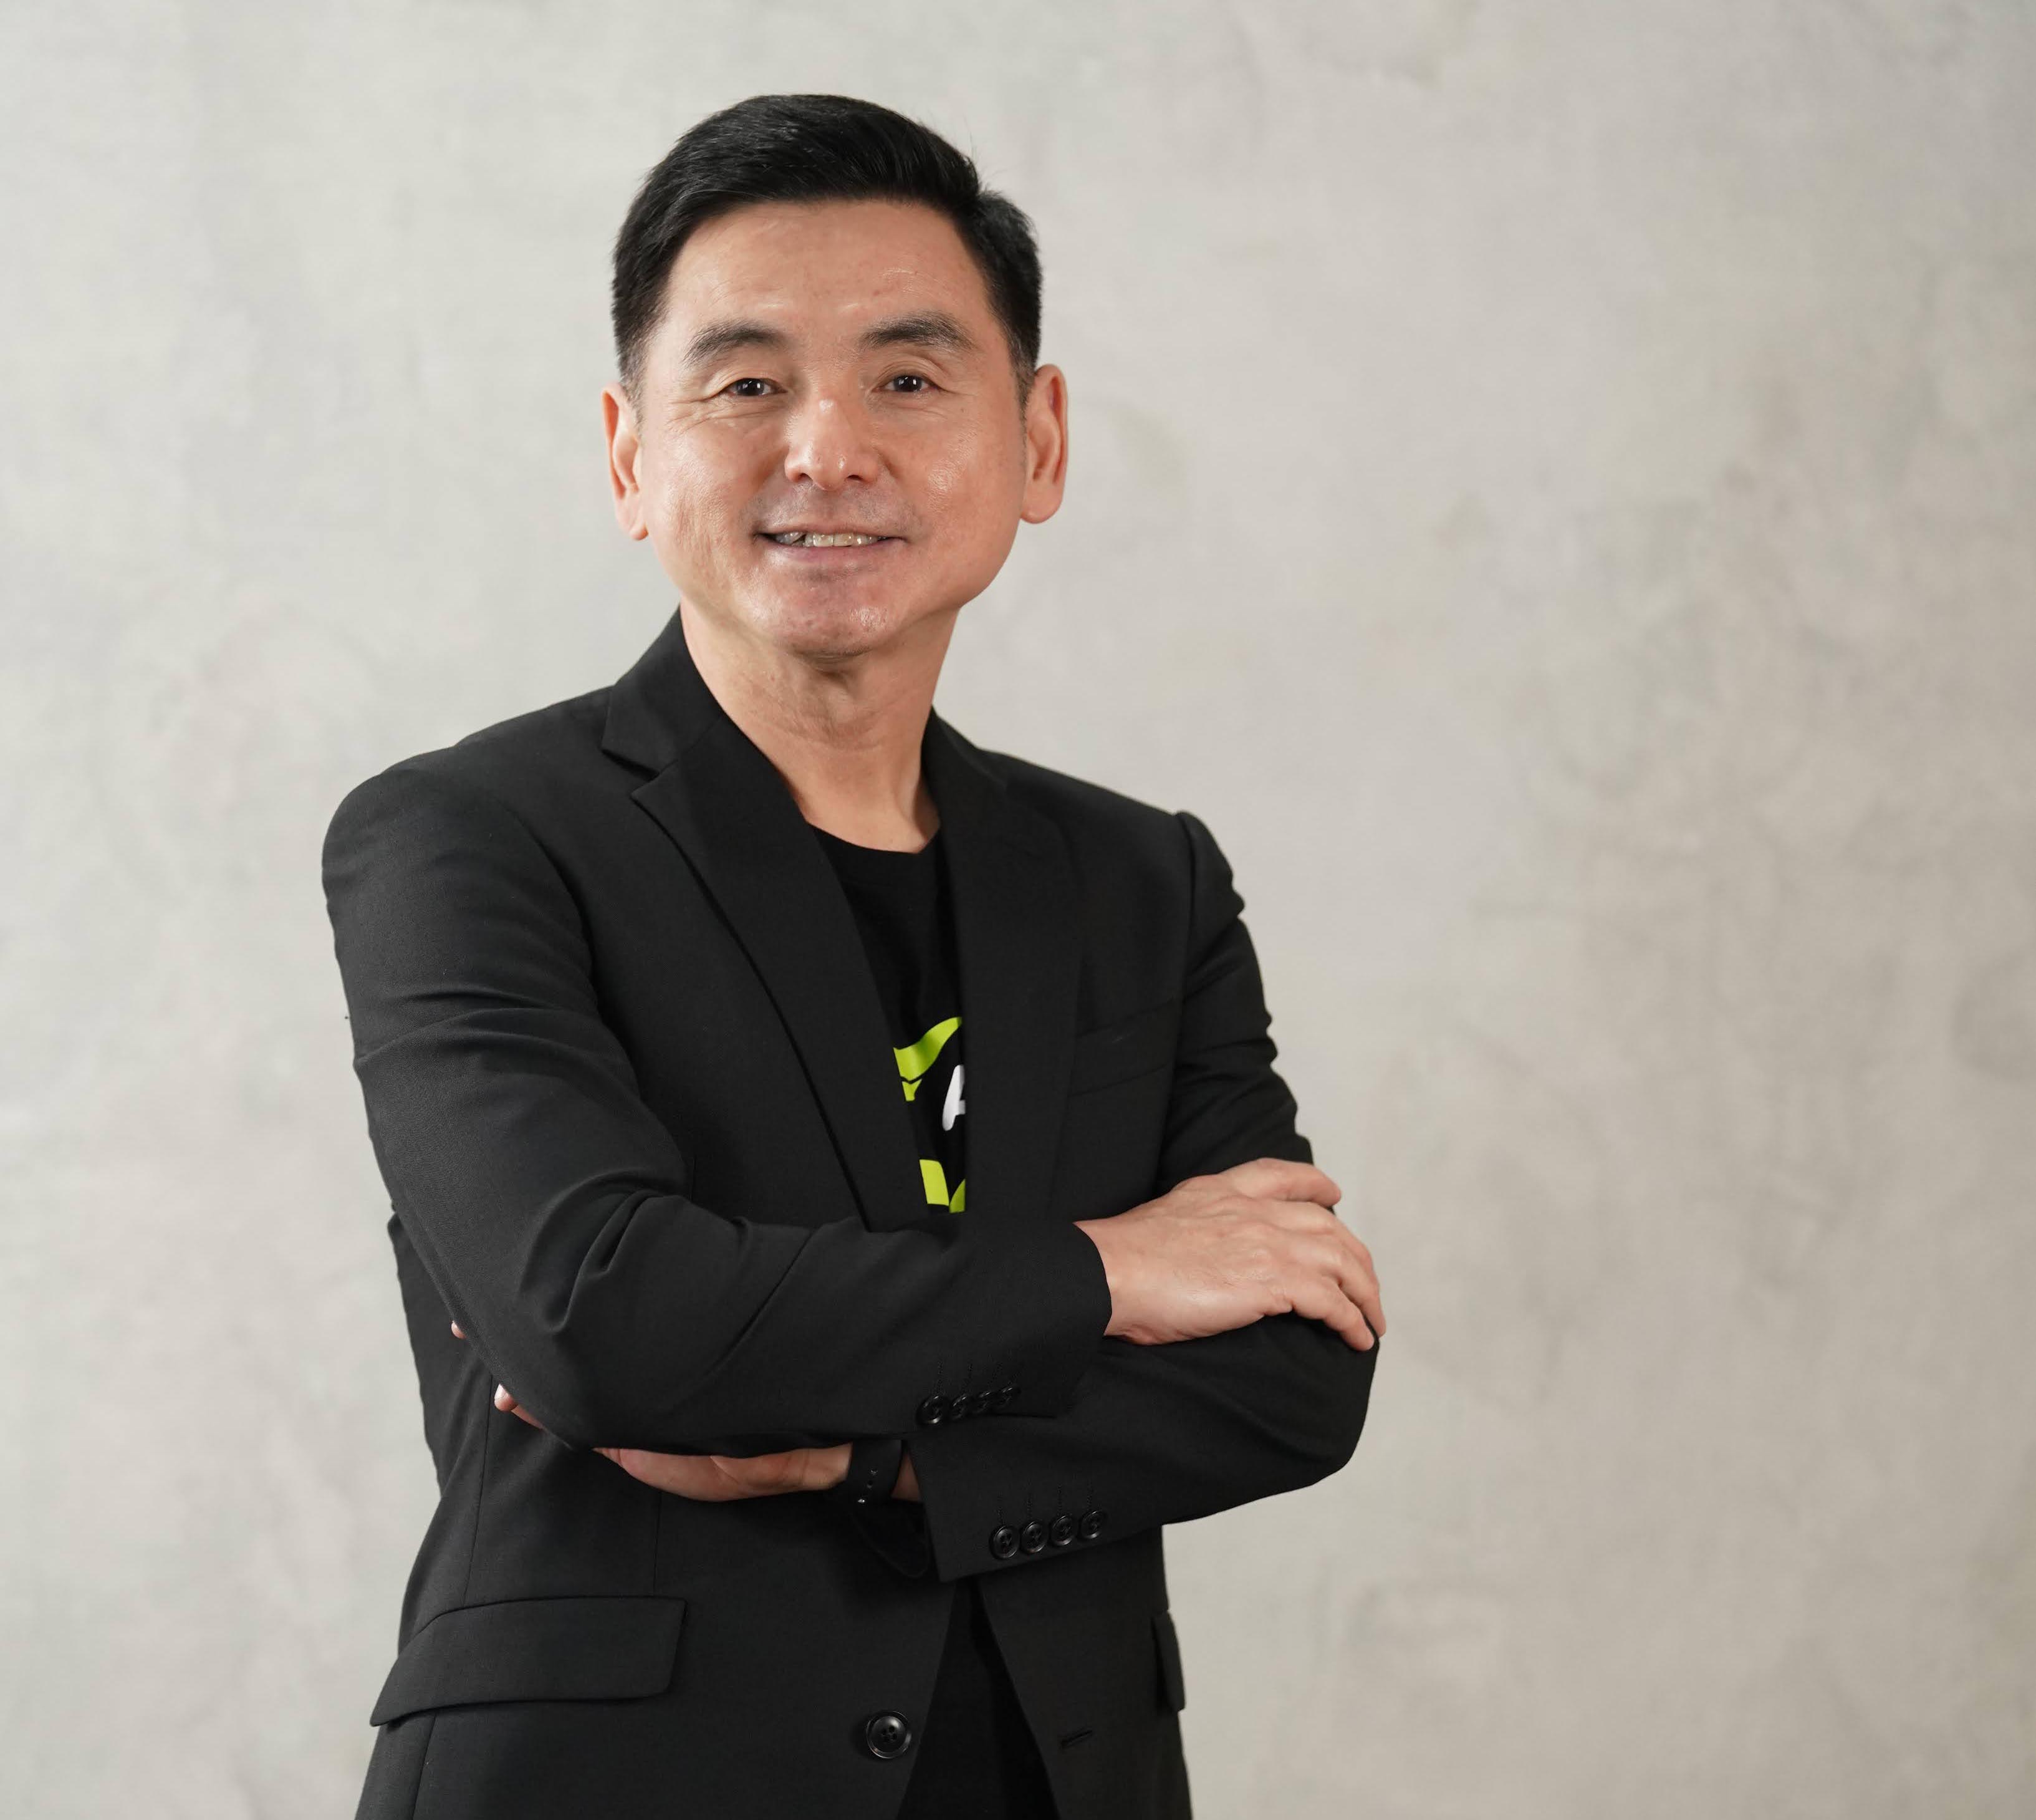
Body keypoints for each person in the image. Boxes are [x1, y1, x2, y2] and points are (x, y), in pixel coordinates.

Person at [322, 92, 1385, 1820]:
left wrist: (868, 1451)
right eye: (745, 385)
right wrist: (1111, 1273)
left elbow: (1289, 1368)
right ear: (629, 455)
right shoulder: (467, 838)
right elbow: (601, 1313)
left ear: (1038, 442)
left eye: (905, 376)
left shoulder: (1140, 880)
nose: (825, 447)